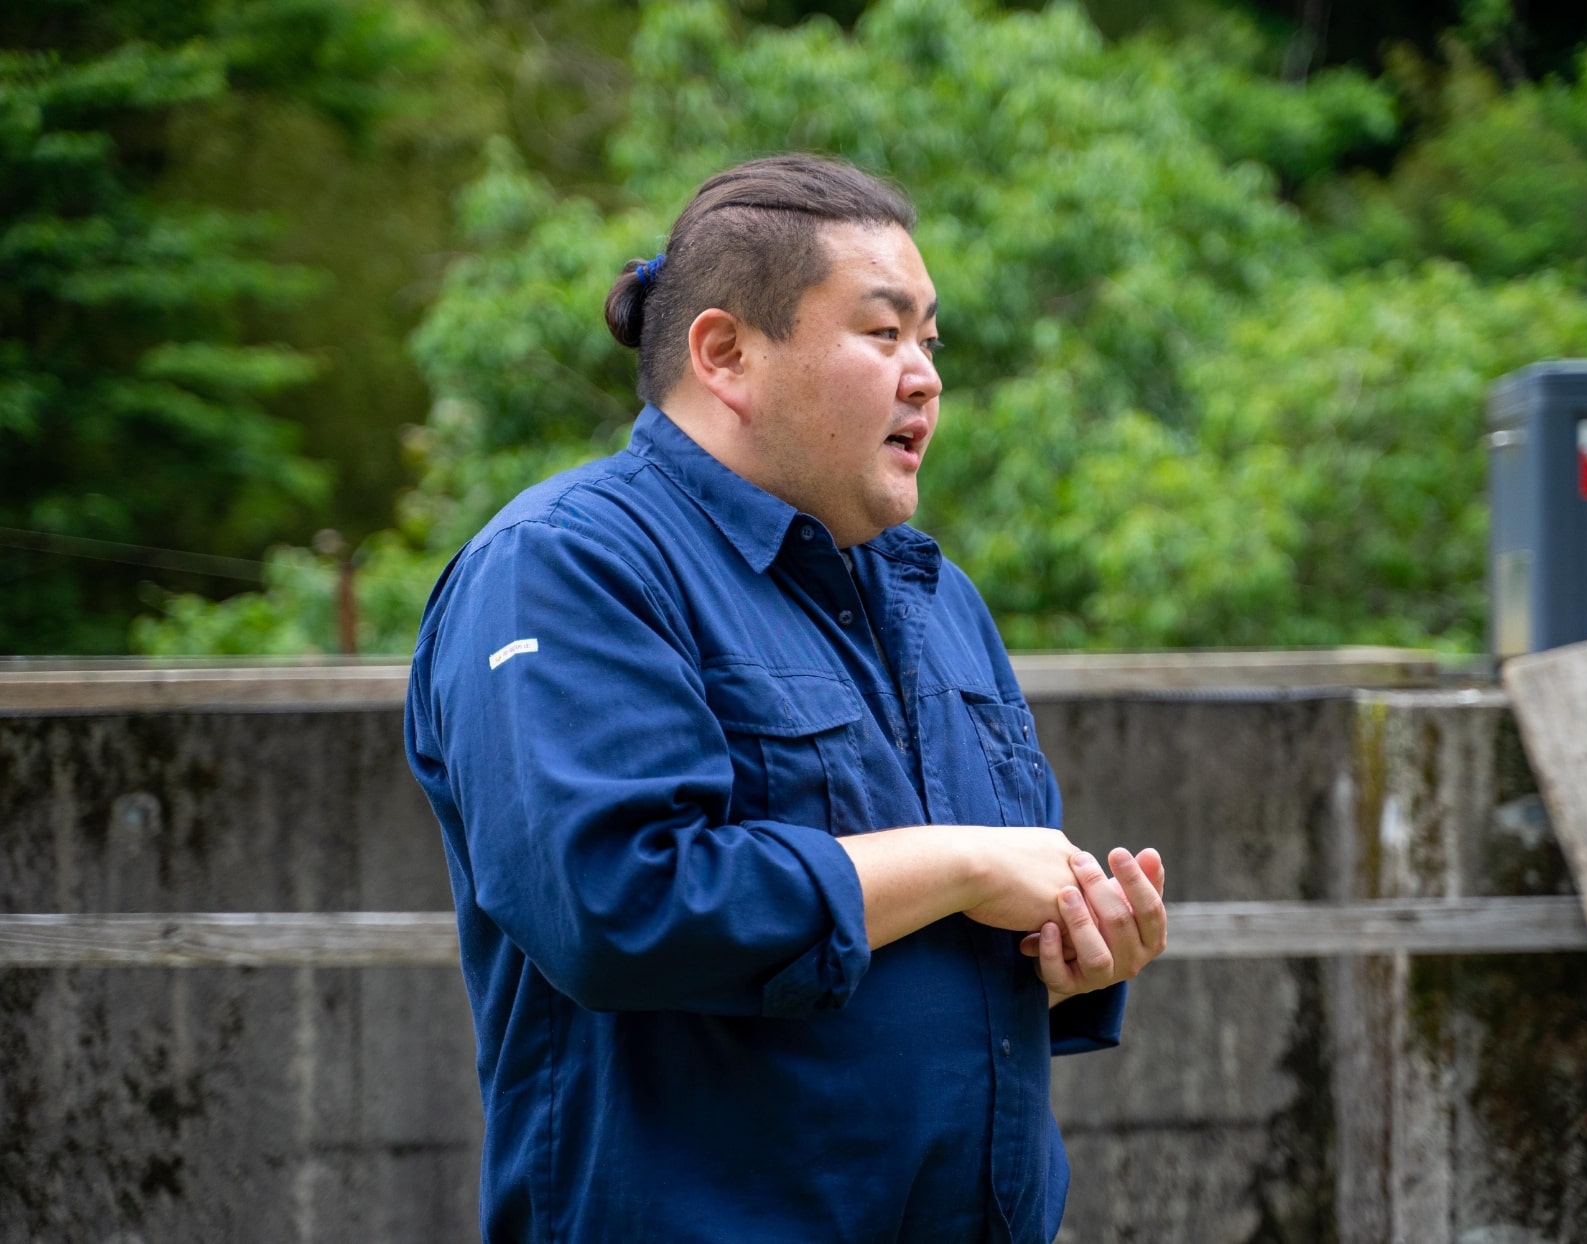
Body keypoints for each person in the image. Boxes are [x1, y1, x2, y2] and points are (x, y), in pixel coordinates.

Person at [404, 153, 1169, 1244]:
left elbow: (926, 939)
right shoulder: (566, 564)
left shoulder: (931, 592)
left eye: (930, 339)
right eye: (882, 332)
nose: (925, 376)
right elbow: (616, 903)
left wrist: (1072, 950)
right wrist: (959, 861)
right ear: (725, 353)